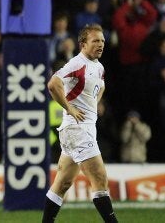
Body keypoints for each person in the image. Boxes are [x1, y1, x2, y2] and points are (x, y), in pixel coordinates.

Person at [42, 24, 118, 222]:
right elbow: (53, 84)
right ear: (83, 44)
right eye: (95, 41)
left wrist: (94, 105)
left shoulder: (99, 67)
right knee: (100, 179)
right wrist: (69, 108)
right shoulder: (77, 63)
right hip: (77, 130)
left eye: (102, 40)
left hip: (82, 129)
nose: (100, 44)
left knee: (62, 184)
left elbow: (101, 86)